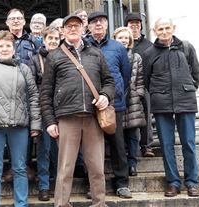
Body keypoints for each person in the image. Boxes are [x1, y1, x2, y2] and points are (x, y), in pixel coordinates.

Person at [40, 15, 115, 207]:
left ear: (83, 29)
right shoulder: (54, 56)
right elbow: (45, 92)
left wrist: (105, 95)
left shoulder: (96, 53)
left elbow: (109, 81)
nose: (73, 29)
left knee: (97, 167)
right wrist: (49, 121)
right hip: (67, 118)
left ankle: (99, 203)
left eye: (76, 26)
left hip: (92, 117)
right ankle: (62, 204)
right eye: (69, 26)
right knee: (65, 168)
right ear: (63, 31)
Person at [0, 30, 42, 207]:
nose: (4, 49)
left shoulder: (24, 69)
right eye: (0, 46)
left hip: (19, 126)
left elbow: (34, 97)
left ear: (14, 49)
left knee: (20, 169)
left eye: (8, 46)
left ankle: (21, 204)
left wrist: (35, 124)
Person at [143, 17, 199, 198]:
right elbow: (146, 80)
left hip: (186, 101)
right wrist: (158, 94)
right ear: (154, 31)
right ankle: (173, 182)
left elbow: (196, 73)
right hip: (162, 105)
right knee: (167, 145)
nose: (164, 32)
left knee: (189, 143)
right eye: (160, 29)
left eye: (167, 28)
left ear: (173, 28)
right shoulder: (149, 53)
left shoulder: (186, 47)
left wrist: (187, 88)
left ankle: (192, 182)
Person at [85, 11, 132, 198]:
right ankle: (95, 185)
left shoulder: (117, 48)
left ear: (107, 25)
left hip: (114, 104)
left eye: (102, 22)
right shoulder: (83, 46)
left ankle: (122, 183)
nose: (98, 25)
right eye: (94, 22)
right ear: (88, 26)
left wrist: (116, 93)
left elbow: (125, 74)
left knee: (118, 144)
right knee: (92, 148)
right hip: (89, 105)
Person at [29, 26, 60, 201]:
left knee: (61, 150)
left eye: (56, 39)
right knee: (44, 150)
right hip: (43, 111)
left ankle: (59, 184)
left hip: (63, 109)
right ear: (44, 39)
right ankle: (44, 186)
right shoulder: (35, 59)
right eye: (51, 39)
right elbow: (32, 87)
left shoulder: (65, 57)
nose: (54, 42)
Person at [113, 27, 146, 177]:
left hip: (132, 99)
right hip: (117, 99)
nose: (124, 40)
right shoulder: (111, 55)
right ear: (115, 39)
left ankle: (132, 163)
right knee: (119, 135)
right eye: (121, 38)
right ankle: (122, 164)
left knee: (133, 134)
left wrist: (138, 94)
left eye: (126, 38)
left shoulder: (136, 57)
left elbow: (140, 79)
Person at [125, 12, 155, 157]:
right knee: (129, 118)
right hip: (127, 87)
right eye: (131, 23)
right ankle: (129, 147)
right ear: (127, 26)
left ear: (141, 26)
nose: (135, 26)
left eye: (137, 23)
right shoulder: (122, 43)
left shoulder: (149, 45)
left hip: (145, 86)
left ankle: (147, 146)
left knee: (146, 117)